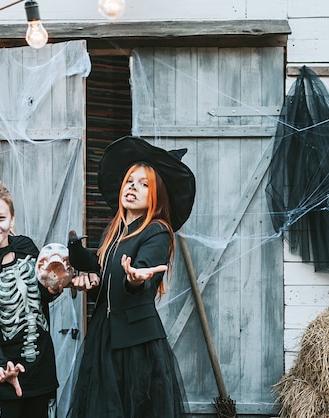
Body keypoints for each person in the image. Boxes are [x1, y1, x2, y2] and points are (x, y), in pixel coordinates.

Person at [68, 136, 195, 418]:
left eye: (144, 184)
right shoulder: (115, 234)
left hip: (136, 344)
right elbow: (104, 282)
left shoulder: (157, 231)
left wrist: (136, 280)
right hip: (106, 335)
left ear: (157, 196)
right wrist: (88, 279)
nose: (133, 187)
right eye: (130, 181)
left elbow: (141, 277)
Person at [0, 180, 61, 418]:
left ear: (12, 219)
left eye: (0, 218)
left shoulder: (27, 248)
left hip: (41, 374)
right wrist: (0, 367)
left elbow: (41, 295)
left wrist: (55, 287)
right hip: (3, 378)